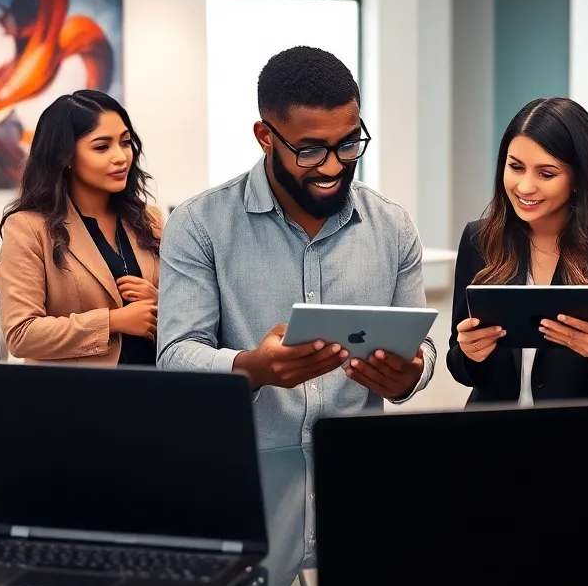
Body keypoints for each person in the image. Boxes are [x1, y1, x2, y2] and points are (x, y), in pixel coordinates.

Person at [157, 46, 435, 449]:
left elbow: (419, 345)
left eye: (348, 143)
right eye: (311, 150)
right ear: (265, 137)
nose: (333, 166)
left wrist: (413, 373)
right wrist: (251, 368)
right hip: (244, 476)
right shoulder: (200, 224)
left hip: (357, 477)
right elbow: (176, 355)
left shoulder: (392, 226)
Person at [448, 97, 588, 405]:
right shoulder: (478, 239)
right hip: (492, 439)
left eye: (546, 174)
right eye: (515, 167)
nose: (525, 186)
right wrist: (468, 352)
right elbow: (459, 364)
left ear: (578, 177)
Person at [0, 91, 161, 365]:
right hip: (75, 398)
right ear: (67, 156)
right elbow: (21, 334)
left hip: (154, 390)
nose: (121, 157)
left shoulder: (150, 219)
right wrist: (112, 321)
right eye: (101, 147)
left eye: (125, 142)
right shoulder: (28, 228)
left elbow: (188, 314)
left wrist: (160, 303)